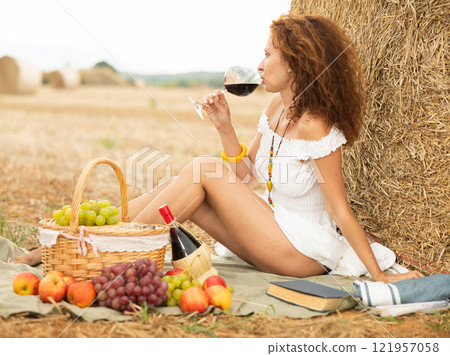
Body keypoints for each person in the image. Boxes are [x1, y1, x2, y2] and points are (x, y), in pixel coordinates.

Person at [16, 13, 423, 283]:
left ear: (296, 62)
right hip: (271, 228)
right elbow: (246, 176)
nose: (260, 65)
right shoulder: (275, 106)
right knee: (185, 183)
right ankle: (73, 242)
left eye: (267, 56)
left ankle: (94, 249)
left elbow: (339, 210)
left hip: (302, 251)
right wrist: (225, 127)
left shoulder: (316, 125)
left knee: (200, 170)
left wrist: (380, 275)